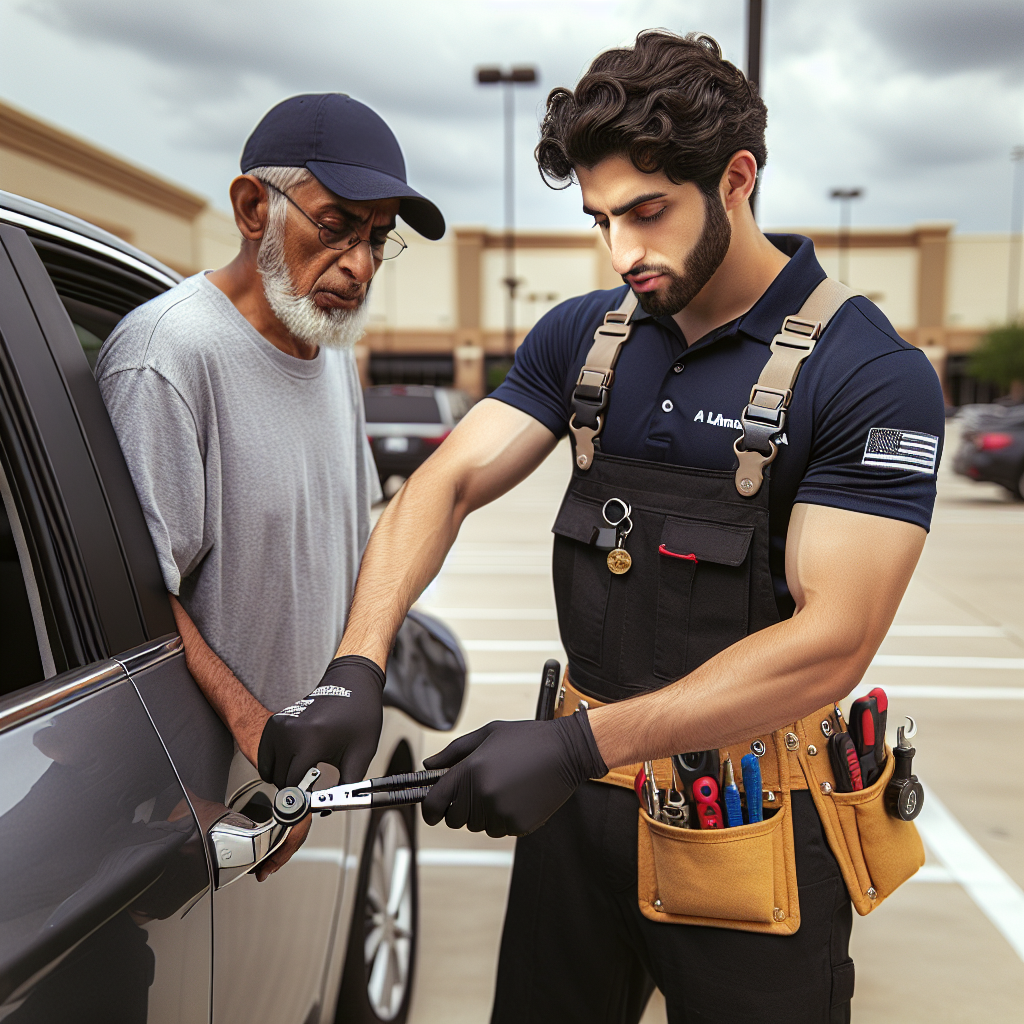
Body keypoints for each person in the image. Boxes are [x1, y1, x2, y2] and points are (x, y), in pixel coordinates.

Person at [332, 31, 944, 1023]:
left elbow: (831, 643)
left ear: (736, 177)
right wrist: (355, 664)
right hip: (572, 824)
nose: (623, 252)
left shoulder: (867, 372)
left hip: (751, 828)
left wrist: (575, 747)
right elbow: (439, 484)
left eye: (648, 213)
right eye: (600, 219)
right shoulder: (582, 336)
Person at [97, 92, 444, 879]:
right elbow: (132, 607)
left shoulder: (333, 360)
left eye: (377, 239)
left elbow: (345, 552)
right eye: (335, 226)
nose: (358, 265)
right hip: (205, 816)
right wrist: (262, 742)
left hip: (293, 794)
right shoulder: (168, 359)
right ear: (254, 206)